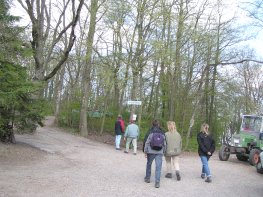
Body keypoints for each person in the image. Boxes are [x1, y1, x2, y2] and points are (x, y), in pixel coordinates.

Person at [143, 120, 166, 188]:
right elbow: (165, 144)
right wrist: (164, 151)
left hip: (151, 151)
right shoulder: (162, 133)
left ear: (153, 125)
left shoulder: (150, 132)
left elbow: (147, 142)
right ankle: (157, 182)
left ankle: (147, 178)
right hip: (159, 152)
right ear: (159, 125)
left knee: (149, 164)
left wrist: (145, 151)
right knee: (158, 167)